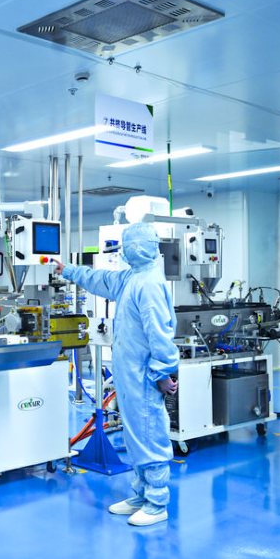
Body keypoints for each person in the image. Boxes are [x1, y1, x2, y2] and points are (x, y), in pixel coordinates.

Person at [54, 223, 179, 526]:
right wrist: (68, 270)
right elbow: (100, 279)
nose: (125, 251)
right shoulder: (130, 277)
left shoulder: (149, 284)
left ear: (142, 247)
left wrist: (163, 372)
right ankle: (141, 494)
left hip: (145, 375)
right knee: (135, 436)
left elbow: (159, 333)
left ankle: (157, 502)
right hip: (129, 374)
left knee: (149, 434)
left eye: (129, 245)